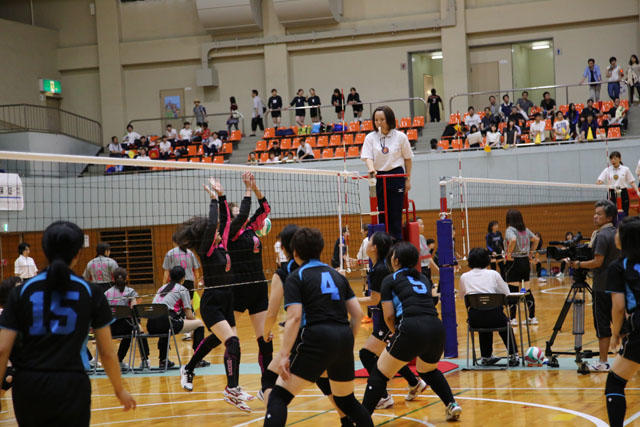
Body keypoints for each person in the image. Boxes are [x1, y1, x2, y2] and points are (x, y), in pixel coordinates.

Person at [0, 221, 136, 425]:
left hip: (29, 386)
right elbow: (107, 352)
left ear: (44, 251)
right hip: (71, 386)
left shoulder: (21, 292)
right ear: (78, 253)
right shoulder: (91, 292)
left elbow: (2, 349)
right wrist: (119, 389)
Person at [264, 227, 372, 427]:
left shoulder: (297, 276)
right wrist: (346, 341)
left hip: (316, 337)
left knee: (278, 396)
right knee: (347, 401)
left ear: (295, 252)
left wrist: (285, 355)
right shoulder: (337, 275)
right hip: (343, 337)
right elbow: (357, 314)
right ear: (320, 249)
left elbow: (294, 318)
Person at [361, 242, 462, 421]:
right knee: (428, 370)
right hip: (436, 328)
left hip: (411, 327)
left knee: (379, 373)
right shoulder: (423, 278)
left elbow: (389, 316)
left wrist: (396, 333)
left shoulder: (389, 280)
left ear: (396, 260)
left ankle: (362, 419)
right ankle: (452, 404)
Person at [358, 232, 426, 410]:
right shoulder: (379, 266)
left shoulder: (380, 269)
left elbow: (375, 299)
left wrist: (349, 301)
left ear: (374, 248)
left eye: (369, 242)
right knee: (388, 355)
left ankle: (383, 396)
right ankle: (414, 382)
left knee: (366, 355)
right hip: (388, 317)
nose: (366, 244)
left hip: (390, 318)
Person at [227, 173, 273, 381]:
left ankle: (267, 385)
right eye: (237, 213)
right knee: (227, 337)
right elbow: (246, 211)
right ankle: (192, 366)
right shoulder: (230, 232)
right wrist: (246, 189)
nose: (242, 215)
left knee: (265, 338)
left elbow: (265, 209)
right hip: (238, 288)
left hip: (258, 287)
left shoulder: (251, 227)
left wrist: (254, 187)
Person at [568, 200, 619, 371]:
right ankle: (630, 359)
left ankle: (603, 362)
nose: (595, 216)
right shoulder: (617, 233)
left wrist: (578, 264)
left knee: (602, 324)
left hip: (602, 287)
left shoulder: (601, 236)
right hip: (618, 286)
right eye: (595, 213)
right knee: (622, 324)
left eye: (599, 214)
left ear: (609, 217)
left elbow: (598, 262)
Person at [604, 216, 640, 426]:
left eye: (618, 231)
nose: (615, 235)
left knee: (615, 382)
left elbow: (618, 307)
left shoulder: (618, 267)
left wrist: (615, 334)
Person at [361, 106, 413, 240]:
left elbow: (408, 159)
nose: (379, 122)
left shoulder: (400, 137)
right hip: (379, 177)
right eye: (376, 120)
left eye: (382, 119)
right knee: (382, 213)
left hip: (396, 176)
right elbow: (367, 157)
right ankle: (384, 244)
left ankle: (397, 244)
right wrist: (371, 169)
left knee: (396, 213)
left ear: (389, 119)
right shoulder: (370, 138)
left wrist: (408, 179)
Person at [460, 247, 518, 366]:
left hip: (475, 320)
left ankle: (486, 357)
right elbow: (506, 293)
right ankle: (514, 355)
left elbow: (462, 297)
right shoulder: (493, 274)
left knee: (482, 314)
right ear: (486, 260)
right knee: (502, 323)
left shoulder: (464, 277)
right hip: (495, 317)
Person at [149, 266, 205, 369]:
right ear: (183, 278)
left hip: (151, 325)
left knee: (165, 322)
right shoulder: (182, 289)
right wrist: (194, 325)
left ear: (170, 277)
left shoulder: (161, 288)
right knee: (199, 324)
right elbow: (189, 315)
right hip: (166, 324)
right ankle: (197, 359)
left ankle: (163, 360)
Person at [105, 267, 150, 370]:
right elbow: (134, 309)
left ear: (113, 279)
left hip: (108, 329)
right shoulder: (130, 291)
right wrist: (138, 323)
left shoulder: (106, 293)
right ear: (127, 278)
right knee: (137, 330)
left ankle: (118, 361)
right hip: (125, 327)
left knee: (130, 330)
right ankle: (145, 360)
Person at [504, 209, 539, 325]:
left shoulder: (510, 230)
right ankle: (532, 317)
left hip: (514, 262)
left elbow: (513, 240)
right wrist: (531, 253)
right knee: (526, 290)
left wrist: (508, 254)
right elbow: (536, 239)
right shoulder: (525, 230)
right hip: (525, 262)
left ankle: (512, 319)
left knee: (513, 291)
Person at [597, 151, 639, 218]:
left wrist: (637, 191)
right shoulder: (607, 170)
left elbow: (632, 182)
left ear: (620, 159)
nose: (613, 160)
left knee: (625, 212)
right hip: (611, 193)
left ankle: (624, 224)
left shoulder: (625, 169)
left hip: (623, 193)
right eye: (611, 159)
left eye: (615, 158)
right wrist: (599, 182)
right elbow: (599, 181)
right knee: (611, 213)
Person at [163, 237, 202, 301]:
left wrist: (164, 285)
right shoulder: (190, 253)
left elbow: (166, 271)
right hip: (189, 283)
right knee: (189, 303)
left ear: (174, 242)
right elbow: (196, 271)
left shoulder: (170, 253)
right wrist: (196, 284)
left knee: (176, 303)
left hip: (175, 283)